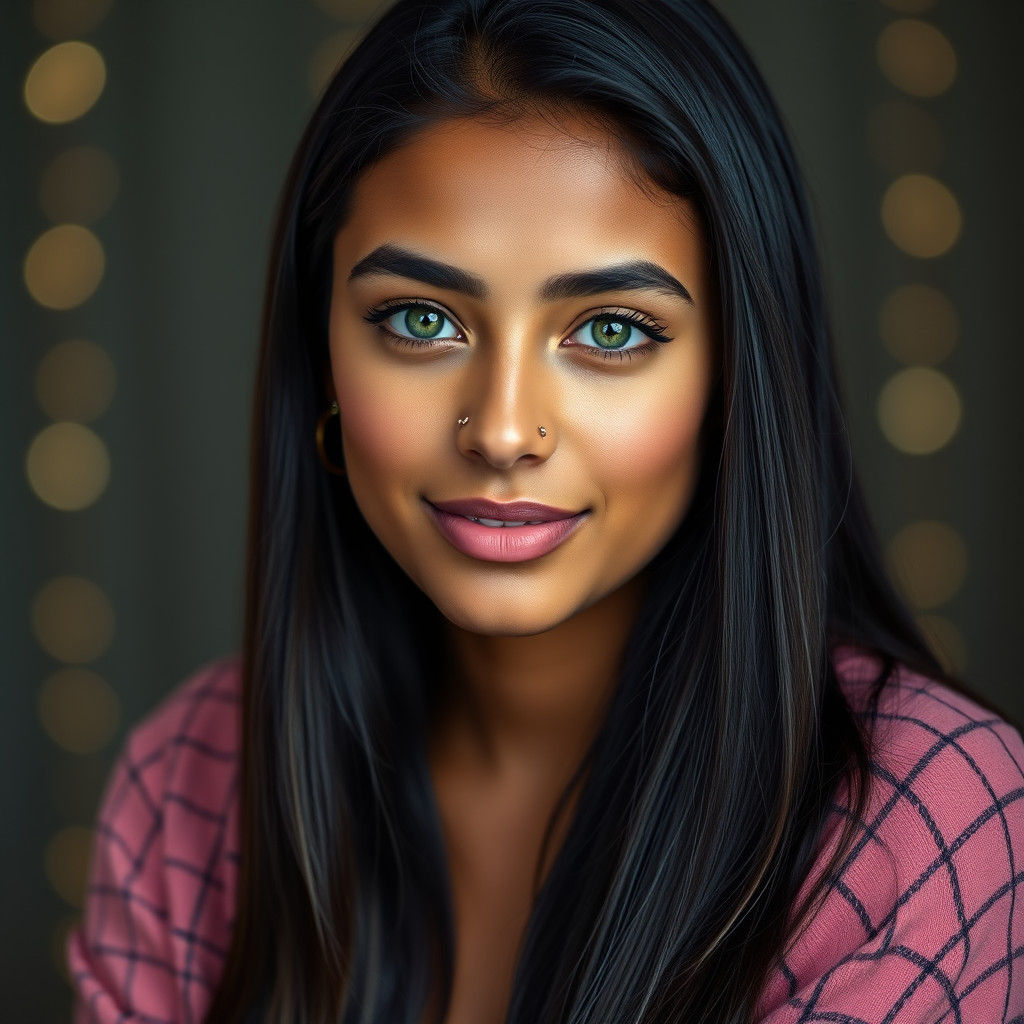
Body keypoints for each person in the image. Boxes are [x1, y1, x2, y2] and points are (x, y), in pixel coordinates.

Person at [67, 1, 1024, 1021]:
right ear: (325, 363)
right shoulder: (191, 784)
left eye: (610, 329)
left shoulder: (922, 821)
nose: (503, 429)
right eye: (421, 320)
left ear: (737, 375)